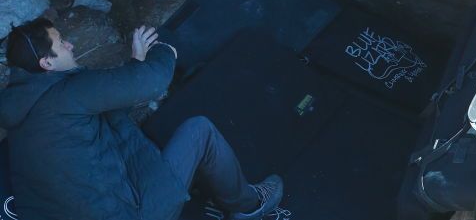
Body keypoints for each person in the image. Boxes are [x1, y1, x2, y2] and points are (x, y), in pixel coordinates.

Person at [0, 17, 283, 220]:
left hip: (94, 205)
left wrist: (134, 63)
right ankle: (249, 206)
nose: (71, 45)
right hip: (133, 213)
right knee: (199, 131)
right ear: (46, 63)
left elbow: (101, 107)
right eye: (61, 43)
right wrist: (163, 53)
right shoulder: (64, 93)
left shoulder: (23, 106)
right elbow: (153, 82)